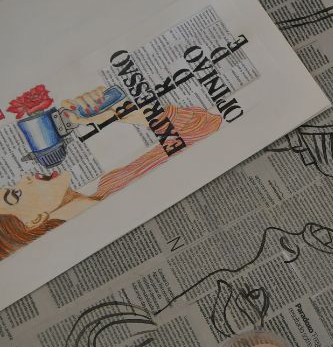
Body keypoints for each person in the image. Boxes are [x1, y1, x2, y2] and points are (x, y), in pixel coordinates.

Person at [0, 87, 221, 260]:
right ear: (35, 220)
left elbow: (203, 125)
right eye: (15, 194)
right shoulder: (118, 211)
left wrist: (116, 112)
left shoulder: (110, 183)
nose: (24, 179)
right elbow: (206, 129)